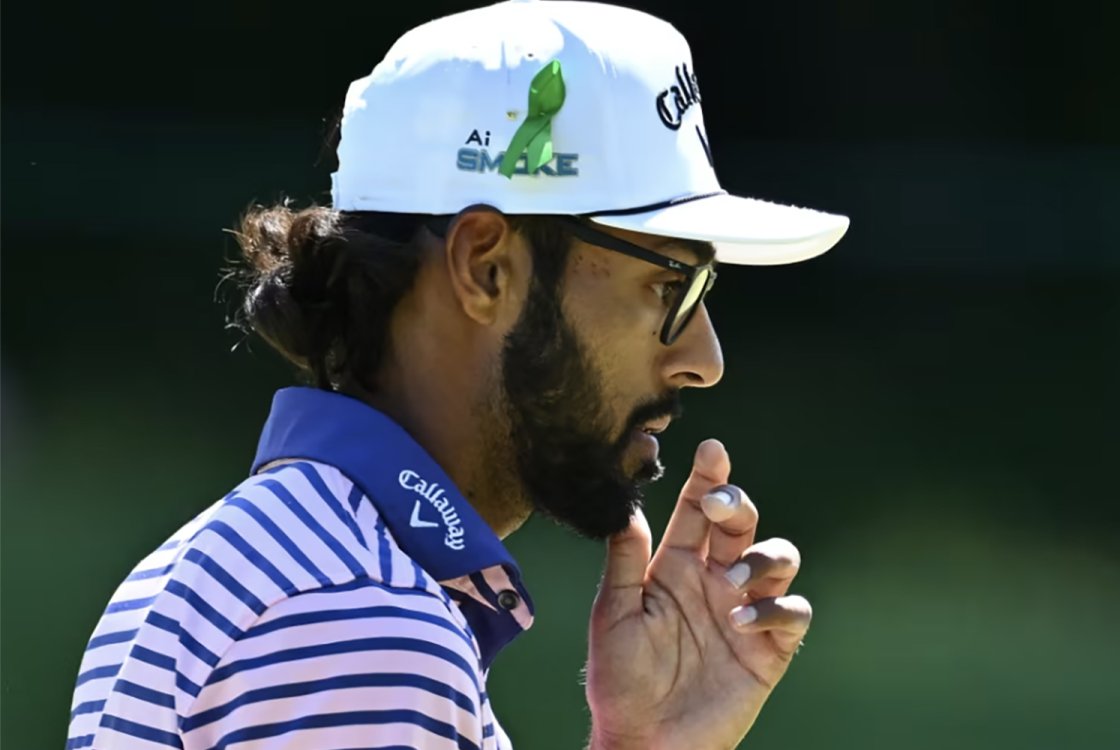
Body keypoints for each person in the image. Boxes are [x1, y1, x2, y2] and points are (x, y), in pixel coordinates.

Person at [65, 1, 849, 748]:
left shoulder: (281, 568)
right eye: (669, 286)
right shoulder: (365, 624)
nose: (704, 360)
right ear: (484, 268)